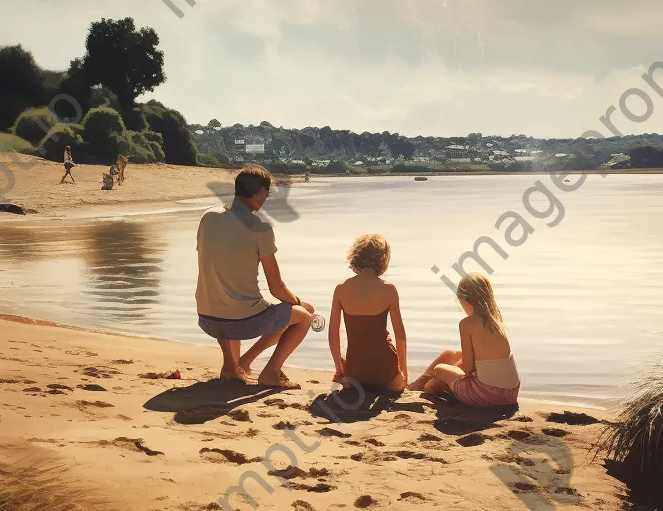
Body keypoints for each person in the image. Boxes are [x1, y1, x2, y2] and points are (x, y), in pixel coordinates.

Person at [195, 165, 313, 388]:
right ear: (259, 193)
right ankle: (270, 372)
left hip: (207, 317)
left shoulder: (208, 217)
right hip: (240, 322)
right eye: (266, 194)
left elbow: (216, 266)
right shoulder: (260, 228)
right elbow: (277, 288)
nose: (265, 200)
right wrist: (300, 304)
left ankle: (232, 366)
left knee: (226, 291)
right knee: (302, 317)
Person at [408, 272, 520, 407]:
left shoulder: (467, 324)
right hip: (511, 394)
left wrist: (451, 371)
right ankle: (418, 383)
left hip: (487, 394)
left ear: (464, 300)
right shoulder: (498, 322)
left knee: (439, 370)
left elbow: (468, 369)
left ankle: (423, 385)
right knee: (450, 354)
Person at [329, 234, 407, 392]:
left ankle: (346, 378)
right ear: (383, 261)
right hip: (385, 369)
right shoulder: (389, 289)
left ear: (356, 257)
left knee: (349, 368)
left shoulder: (341, 288)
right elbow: (400, 335)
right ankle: (395, 380)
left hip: (356, 372)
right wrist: (402, 370)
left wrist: (339, 367)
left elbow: (333, 333)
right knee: (398, 385)